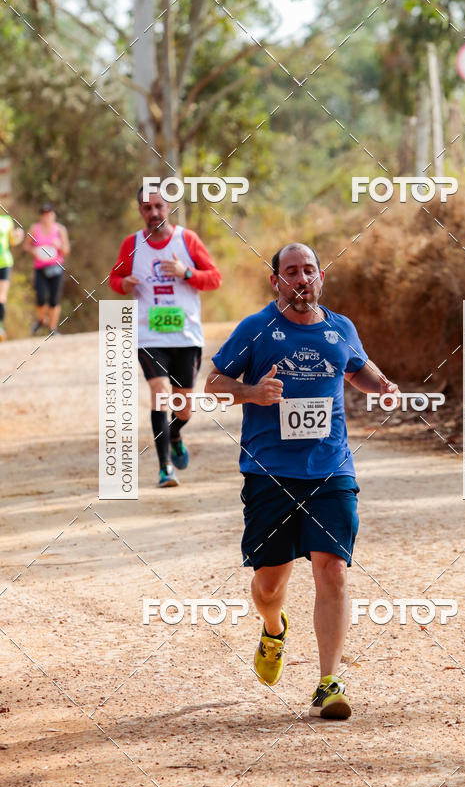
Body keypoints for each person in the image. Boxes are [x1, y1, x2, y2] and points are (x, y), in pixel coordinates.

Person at [206, 243, 398, 719]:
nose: (301, 278)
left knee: (332, 568)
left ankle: (328, 683)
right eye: (291, 272)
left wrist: (384, 387)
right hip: (269, 472)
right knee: (269, 586)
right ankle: (273, 629)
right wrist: (251, 392)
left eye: (309, 270)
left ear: (321, 276)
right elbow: (212, 383)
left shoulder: (340, 328)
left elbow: (359, 370)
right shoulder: (256, 329)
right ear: (276, 282)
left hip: (331, 468)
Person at [110, 187, 222, 488]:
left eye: (159, 206)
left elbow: (214, 278)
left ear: (168, 207)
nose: (154, 213)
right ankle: (165, 468)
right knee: (159, 395)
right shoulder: (131, 244)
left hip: (186, 337)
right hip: (149, 336)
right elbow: (114, 279)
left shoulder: (187, 240)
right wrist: (125, 283)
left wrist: (187, 273)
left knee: (183, 408)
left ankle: (175, 433)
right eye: (147, 207)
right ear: (140, 211)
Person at [24, 203, 70, 335]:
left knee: (54, 299)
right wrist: (34, 251)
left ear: (53, 215)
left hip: (56, 267)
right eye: (44, 215)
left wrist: (60, 246)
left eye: (49, 214)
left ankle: (52, 328)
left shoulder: (60, 230)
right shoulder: (34, 229)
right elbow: (26, 246)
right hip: (40, 268)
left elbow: (66, 251)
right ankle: (40, 320)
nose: (46, 217)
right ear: (41, 216)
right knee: (40, 297)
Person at [0, 207, 24, 341]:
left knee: (1, 297)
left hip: (4, 263)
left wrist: (18, 237)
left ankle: (0, 328)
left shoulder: (6, 220)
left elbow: (12, 241)